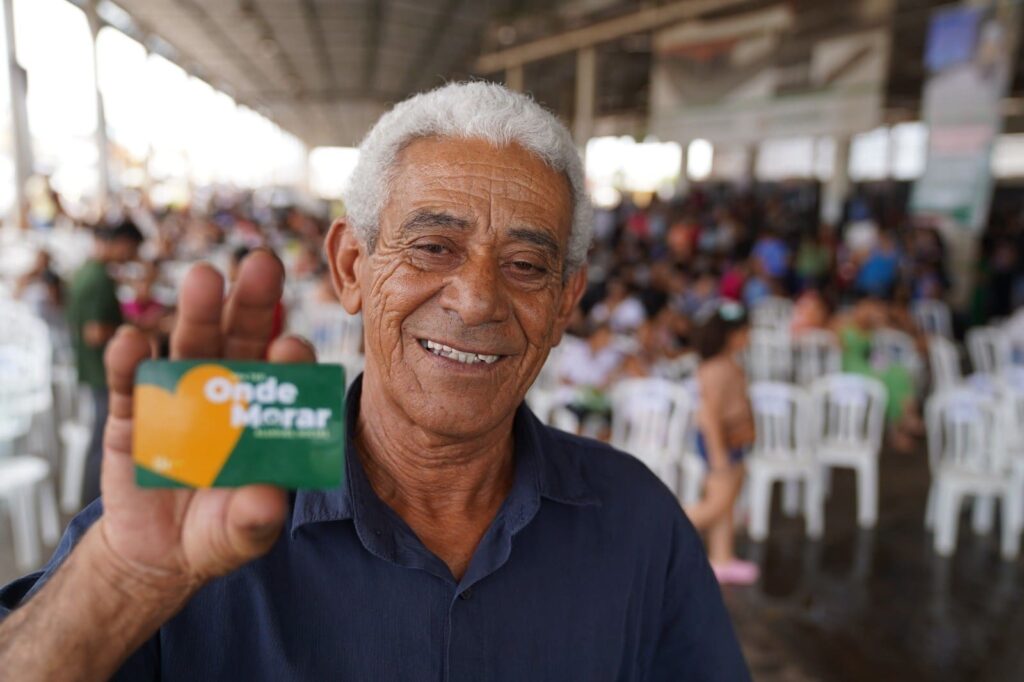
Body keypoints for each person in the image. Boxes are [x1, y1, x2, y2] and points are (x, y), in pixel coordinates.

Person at [0, 83, 749, 680]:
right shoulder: (211, 492)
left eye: (525, 266)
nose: (477, 298)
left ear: (564, 303)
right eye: (432, 247)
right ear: (352, 268)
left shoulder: (636, 522)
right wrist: (121, 583)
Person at [66, 219, 143, 506]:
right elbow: (96, 332)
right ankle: (93, 504)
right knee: (104, 443)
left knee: (101, 440)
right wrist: (136, 329)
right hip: (103, 372)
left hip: (94, 369)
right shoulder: (98, 279)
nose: (129, 256)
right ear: (121, 242)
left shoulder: (88, 271)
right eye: (131, 249)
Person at [684, 300, 758, 586]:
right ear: (732, 334)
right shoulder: (715, 369)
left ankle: (722, 558)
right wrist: (718, 458)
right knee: (716, 503)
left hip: (734, 441)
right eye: (746, 332)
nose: (749, 338)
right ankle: (658, 530)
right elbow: (710, 417)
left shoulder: (731, 365)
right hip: (719, 443)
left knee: (727, 505)